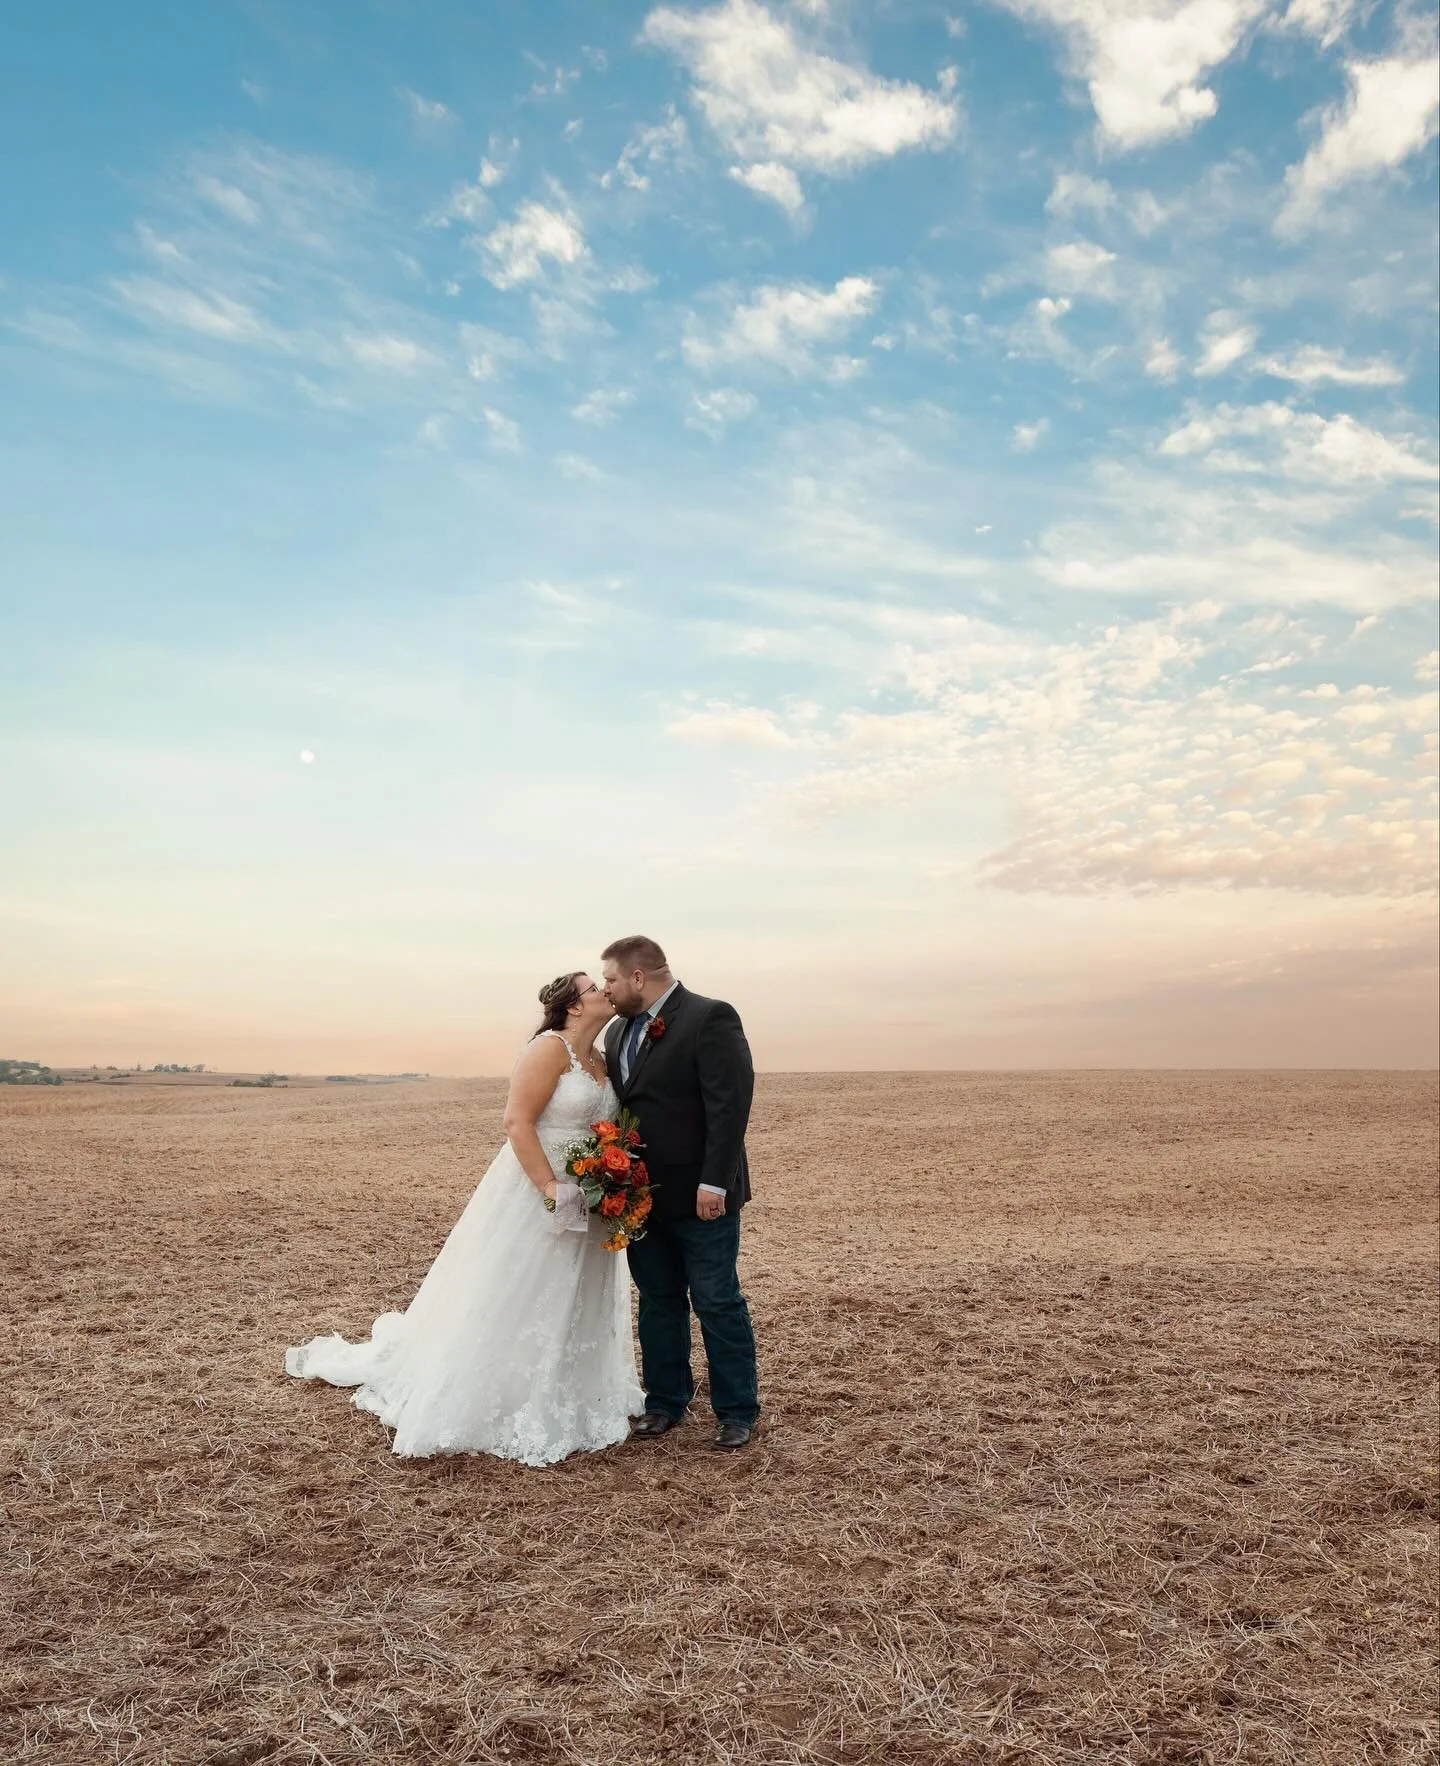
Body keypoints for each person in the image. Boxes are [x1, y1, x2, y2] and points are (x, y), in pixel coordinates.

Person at [284, 972, 643, 1464]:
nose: (604, 991)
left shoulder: (600, 1057)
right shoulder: (548, 1049)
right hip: (540, 1184)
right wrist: (550, 1188)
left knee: (575, 1288)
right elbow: (517, 1122)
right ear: (574, 1007)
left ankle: (571, 1390)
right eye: (592, 987)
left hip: (591, 1188)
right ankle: (498, 1391)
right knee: (519, 1285)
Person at [600, 936, 759, 1450]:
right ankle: (665, 1402)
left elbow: (729, 1105)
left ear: (638, 976)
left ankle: (736, 1410)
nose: (607, 989)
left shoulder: (710, 1017)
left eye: (611, 979)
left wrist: (714, 1182)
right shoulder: (617, 1032)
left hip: (700, 1194)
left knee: (716, 1300)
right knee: (658, 1300)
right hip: (640, 1194)